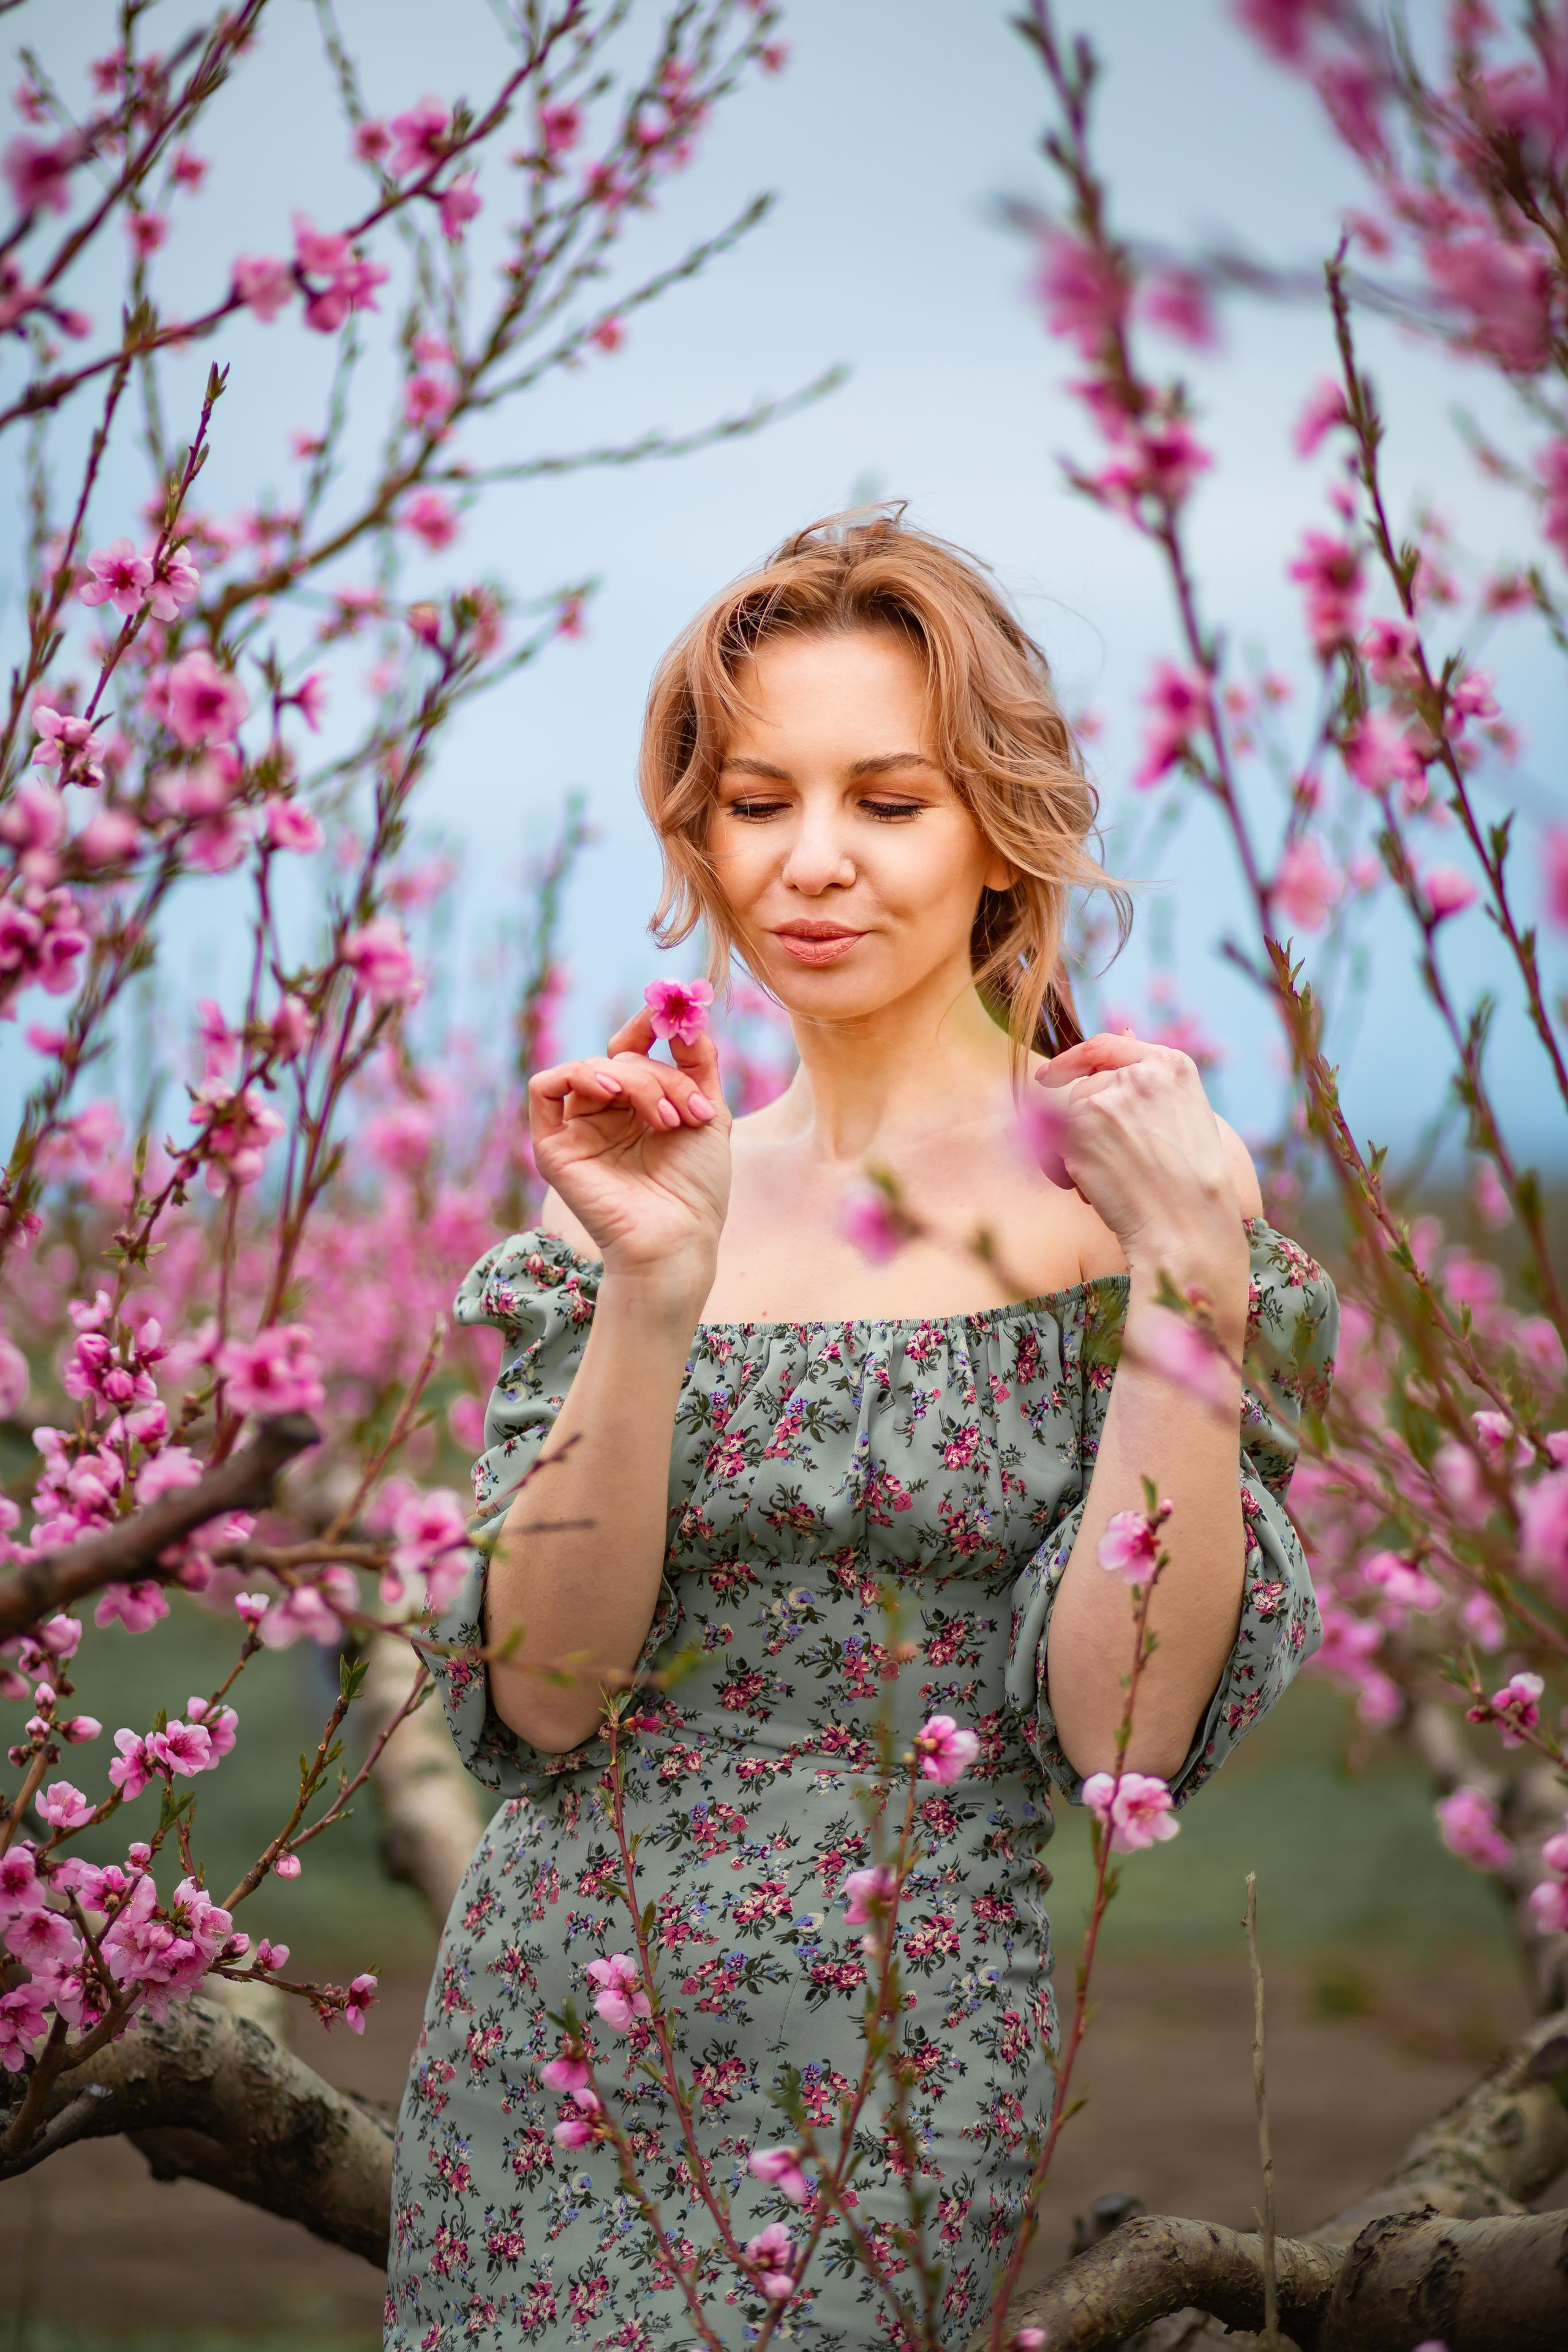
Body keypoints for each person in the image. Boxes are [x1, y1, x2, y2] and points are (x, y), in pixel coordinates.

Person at [386, 513, 1337, 2351]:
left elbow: (1121, 1733)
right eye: (759, 803)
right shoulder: (618, 1217)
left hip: (892, 2065)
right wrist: (655, 1288)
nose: (811, 864)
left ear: (1002, 830)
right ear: (701, 835)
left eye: (887, 802)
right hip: (546, 2038)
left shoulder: (1156, 1220)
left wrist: (1190, 1297)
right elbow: (540, 1699)